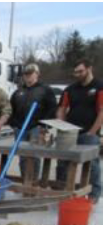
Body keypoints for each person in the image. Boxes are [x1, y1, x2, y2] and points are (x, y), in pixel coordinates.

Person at [56, 59, 103, 202]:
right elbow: (62, 109)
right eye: (75, 72)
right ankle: (61, 191)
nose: (77, 74)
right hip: (70, 133)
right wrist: (61, 126)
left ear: (89, 69)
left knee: (93, 163)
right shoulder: (70, 89)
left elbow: (102, 111)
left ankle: (94, 193)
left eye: (80, 71)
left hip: (89, 132)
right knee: (63, 162)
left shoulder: (100, 87)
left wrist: (93, 131)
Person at [9, 63, 57, 179]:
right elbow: (11, 109)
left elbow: (52, 108)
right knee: (22, 156)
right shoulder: (18, 91)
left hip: (37, 128)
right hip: (20, 128)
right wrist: (13, 124)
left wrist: (44, 125)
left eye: (31, 73)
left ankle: (33, 182)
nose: (28, 76)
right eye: (26, 74)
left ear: (37, 74)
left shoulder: (45, 90)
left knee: (34, 156)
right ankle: (25, 180)